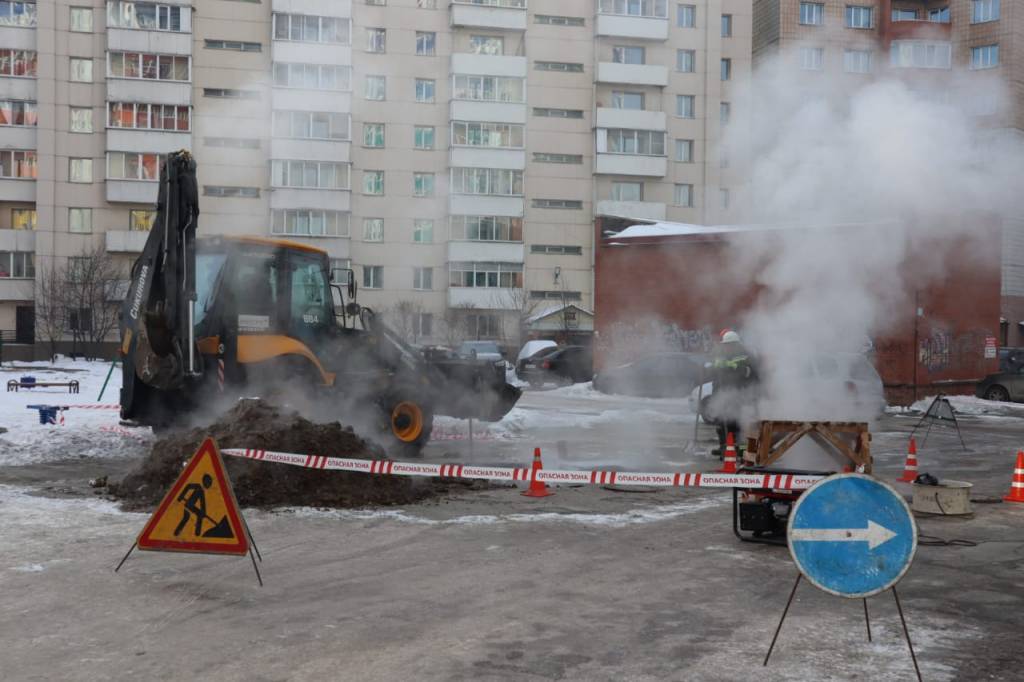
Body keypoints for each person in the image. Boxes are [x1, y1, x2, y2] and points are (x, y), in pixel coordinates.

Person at [708, 330, 759, 455]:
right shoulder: (720, 353)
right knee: (722, 422)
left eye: (730, 345)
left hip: (738, 393)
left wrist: (736, 369)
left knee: (737, 422)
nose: (729, 347)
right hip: (723, 392)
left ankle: (739, 449)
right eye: (727, 345)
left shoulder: (745, 354)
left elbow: (752, 373)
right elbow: (713, 369)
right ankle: (725, 447)